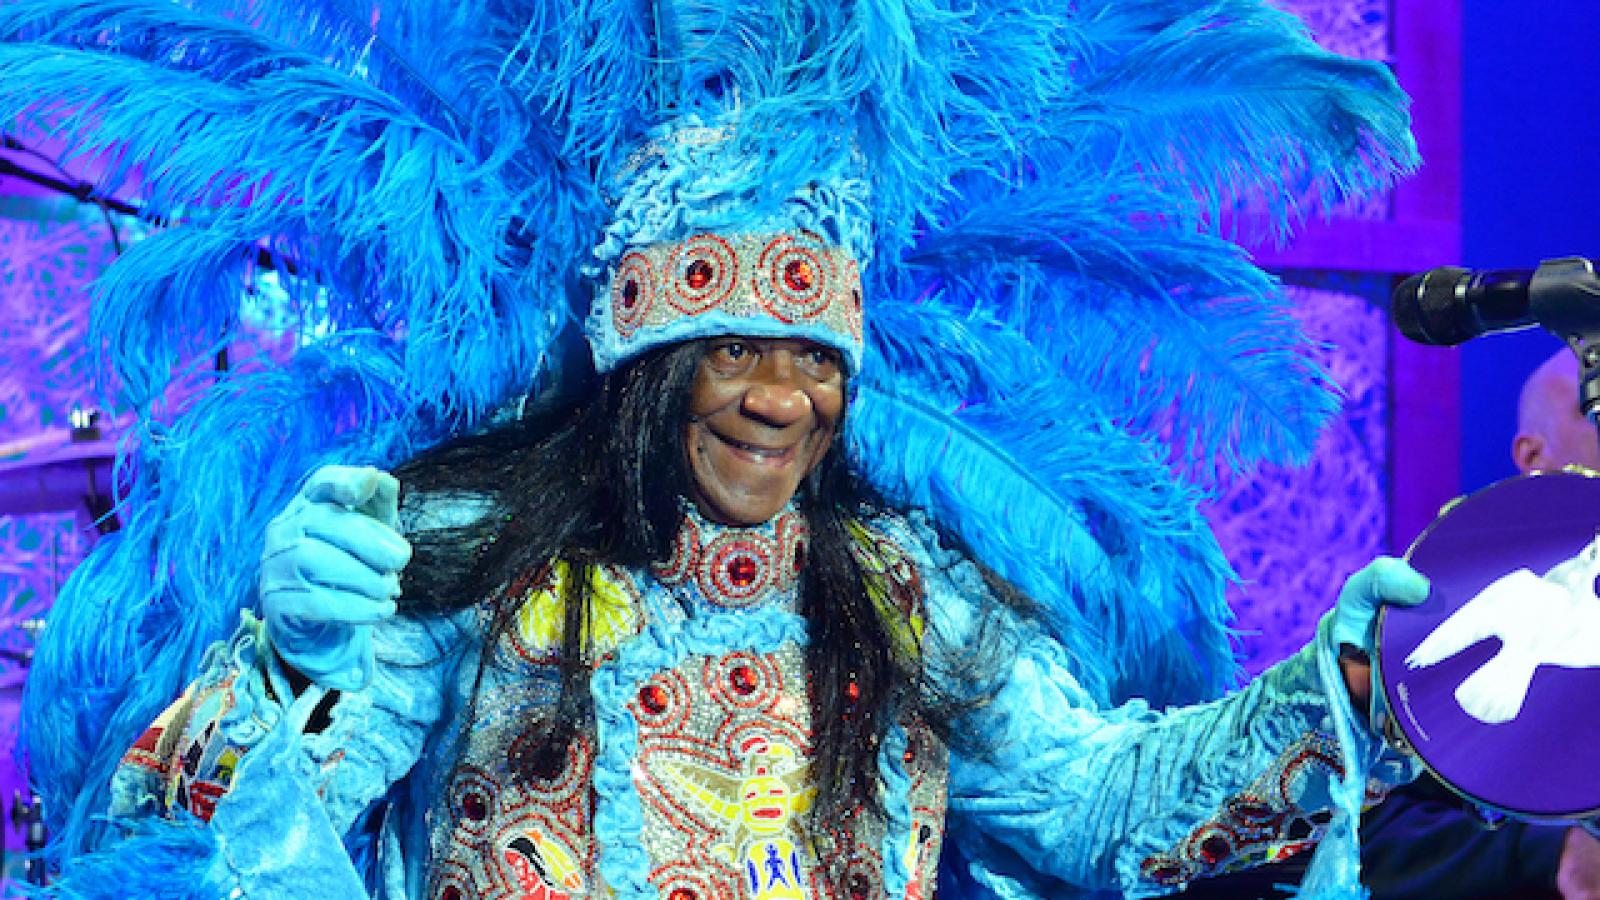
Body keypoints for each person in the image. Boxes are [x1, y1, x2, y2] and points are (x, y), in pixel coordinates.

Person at [0, 0, 1428, 897]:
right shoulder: (474, 559)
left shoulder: (912, 596)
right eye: (736, 349)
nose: (779, 396)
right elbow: (206, 835)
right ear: (644, 366)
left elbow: (1100, 807)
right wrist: (295, 659)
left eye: (816, 357)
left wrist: (1329, 693)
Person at [1352, 345, 1600, 900]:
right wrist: (1555, 856)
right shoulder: (1440, 603)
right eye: (1597, 406)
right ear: (1536, 455)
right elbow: (1371, 837)